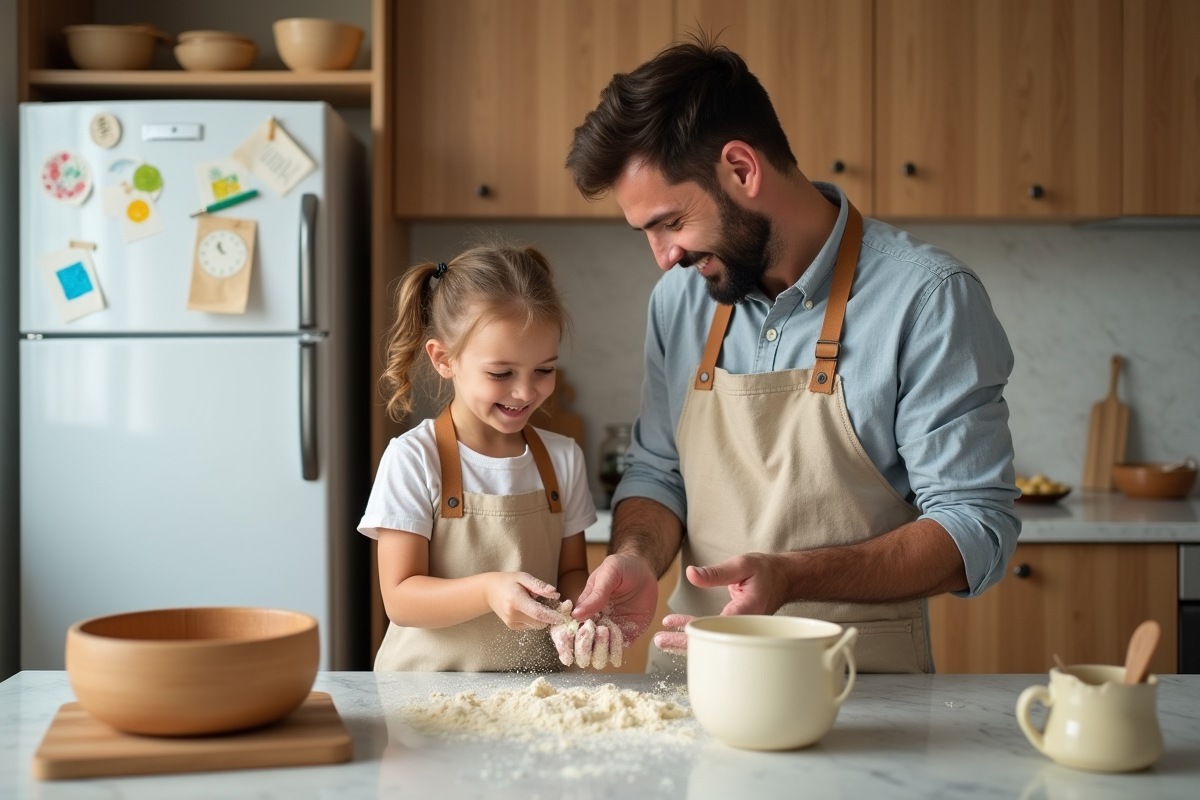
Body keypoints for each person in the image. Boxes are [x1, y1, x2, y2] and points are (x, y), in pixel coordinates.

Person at [564, 37, 1020, 673]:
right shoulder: (679, 300)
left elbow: (975, 526)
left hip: (858, 687)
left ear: (742, 169)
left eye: (670, 222)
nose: (664, 257)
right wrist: (636, 558)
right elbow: (658, 472)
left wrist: (793, 576)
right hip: (696, 679)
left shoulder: (928, 298)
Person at [359, 243, 607, 671]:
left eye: (544, 370)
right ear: (444, 360)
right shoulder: (414, 459)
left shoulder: (563, 458)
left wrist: (585, 615)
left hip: (536, 693)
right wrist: (488, 591)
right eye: (500, 373)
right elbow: (400, 597)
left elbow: (571, 574)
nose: (525, 392)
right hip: (425, 697)